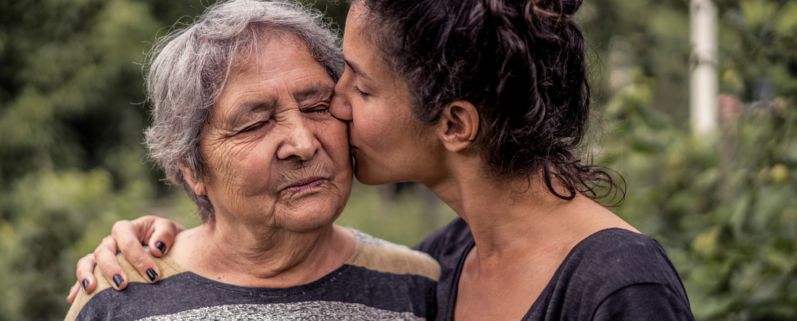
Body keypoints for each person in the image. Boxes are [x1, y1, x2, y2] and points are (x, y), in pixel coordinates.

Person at [71, 0, 695, 320]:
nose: (330, 115)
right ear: (189, 166)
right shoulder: (447, 260)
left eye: (357, 88)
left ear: (454, 124)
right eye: (257, 121)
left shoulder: (619, 284)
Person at [63, 1, 441, 320]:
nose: (303, 144)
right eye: (256, 124)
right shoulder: (118, 298)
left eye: (317, 106)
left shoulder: (417, 284)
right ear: (191, 168)